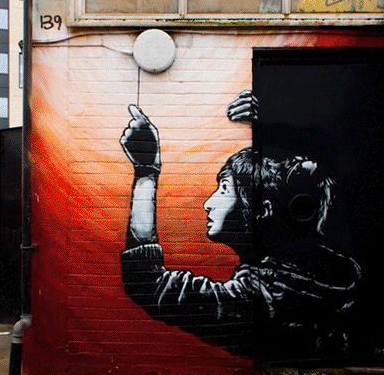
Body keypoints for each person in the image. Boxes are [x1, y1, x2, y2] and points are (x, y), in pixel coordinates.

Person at [119, 96, 361, 361]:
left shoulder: (257, 302)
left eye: (224, 188)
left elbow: (146, 282)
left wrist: (146, 171)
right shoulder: (336, 277)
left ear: (262, 209)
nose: (208, 203)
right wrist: (269, 124)